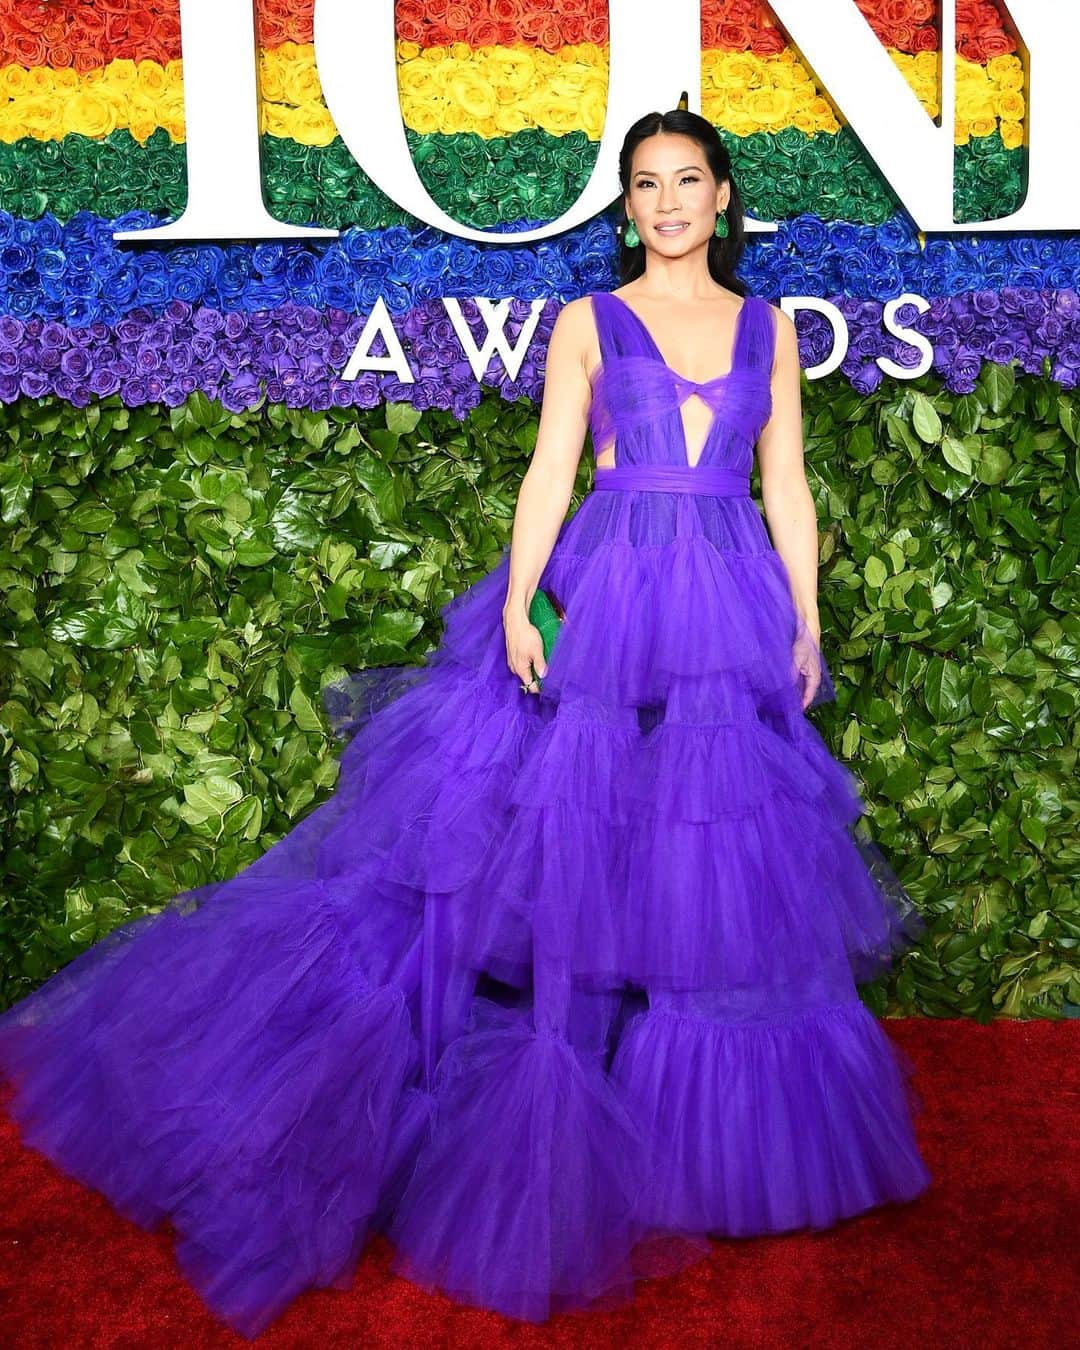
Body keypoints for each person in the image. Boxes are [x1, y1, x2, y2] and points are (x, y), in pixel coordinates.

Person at [0, 108, 931, 1339]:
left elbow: (787, 484)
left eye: (686, 182)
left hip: (726, 605)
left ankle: (705, 1149)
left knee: (705, 853)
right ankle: (525, 1101)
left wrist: (806, 619)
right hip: (604, 593)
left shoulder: (769, 332)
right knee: (569, 835)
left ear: (722, 197)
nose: (665, 204)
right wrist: (522, 604)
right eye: (645, 185)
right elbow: (551, 465)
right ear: (627, 207)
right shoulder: (588, 325)